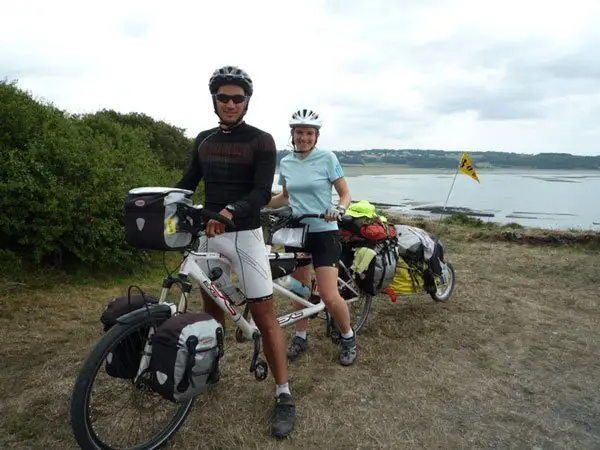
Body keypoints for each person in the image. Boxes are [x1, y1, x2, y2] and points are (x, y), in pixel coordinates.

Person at [174, 65, 295, 438]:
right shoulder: (204, 139)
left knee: (264, 312)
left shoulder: (261, 140)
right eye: (223, 97)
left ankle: (284, 394)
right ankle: (211, 367)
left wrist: (229, 213)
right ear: (214, 100)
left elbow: (261, 192)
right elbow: (187, 183)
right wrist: (163, 200)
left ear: (246, 102)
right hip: (210, 235)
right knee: (212, 308)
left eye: (237, 98)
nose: (230, 103)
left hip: (243, 234)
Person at [268, 108, 357, 366]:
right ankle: (301, 336)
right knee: (300, 292)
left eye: (309, 133)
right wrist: (261, 202)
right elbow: (284, 197)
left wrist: (339, 209)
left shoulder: (327, 158)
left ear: (316, 136)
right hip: (298, 232)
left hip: (324, 232)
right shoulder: (286, 161)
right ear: (292, 134)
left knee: (329, 295)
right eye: (299, 133)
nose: (304, 137)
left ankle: (348, 336)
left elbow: (345, 193)